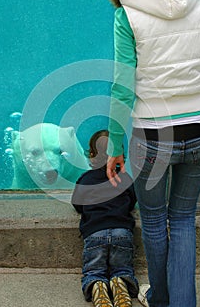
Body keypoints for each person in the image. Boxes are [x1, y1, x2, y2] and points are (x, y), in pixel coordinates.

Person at [106, 0, 200, 306]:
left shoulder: (128, 11)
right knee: (183, 219)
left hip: (152, 134)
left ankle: (160, 299)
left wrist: (115, 145)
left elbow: (123, 87)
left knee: (154, 220)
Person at [71, 130, 139, 307]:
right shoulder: (124, 178)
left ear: (91, 155)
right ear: (120, 155)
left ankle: (97, 284)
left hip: (95, 232)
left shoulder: (85, 179)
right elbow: (132, 200)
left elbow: (77, 204)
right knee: (123, 268)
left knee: (94, 270)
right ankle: (120, 282)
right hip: (122, 231)